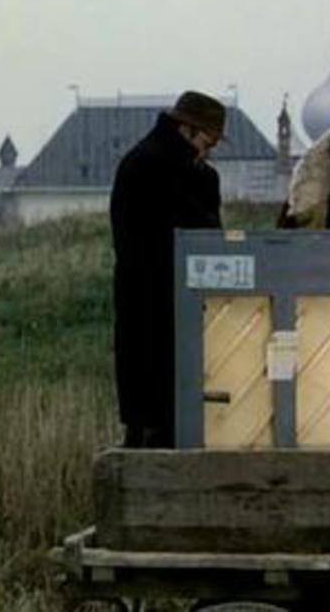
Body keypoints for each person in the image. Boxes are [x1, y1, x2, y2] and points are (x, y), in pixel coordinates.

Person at [109, 91, 225, 448]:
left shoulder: (140, 161)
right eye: (209, 141)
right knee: (163, 392)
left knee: (145, 396)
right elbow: (203, 233)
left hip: (146, 294)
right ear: (187, 130)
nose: (210, 150)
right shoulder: (167, 170)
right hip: (163, 295)